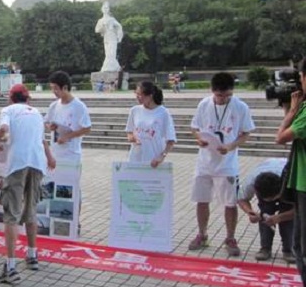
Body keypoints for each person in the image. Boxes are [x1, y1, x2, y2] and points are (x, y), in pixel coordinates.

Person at [0, 84, 56, 284]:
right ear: (27, 99)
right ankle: (32, 255)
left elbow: (3, 129)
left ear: (11, 98)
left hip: (17, 164)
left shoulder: (8, 110)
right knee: (31, 209)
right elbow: (42, 140)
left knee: (11, 214)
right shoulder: (36, 113)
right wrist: (50, 157)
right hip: (37, 164)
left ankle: (10, 267)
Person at [188, 72, 255, 256]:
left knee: (230, 203)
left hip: (227, 164)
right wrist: (199, 139)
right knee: (202, 200)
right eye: (219, 95)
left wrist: (231, 146)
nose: (223, 99)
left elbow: (246, 133)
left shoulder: (240, 107)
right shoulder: (204, 104)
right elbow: (194, 128)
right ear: (212, 90)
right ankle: (202, 234)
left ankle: (230, 238)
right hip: (204, 162)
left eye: (227, 95)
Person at [275, 57, 306, 287]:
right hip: (300, 182)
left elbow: (280, 137)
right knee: (299, 244)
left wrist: (292, 110)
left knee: (304, 246)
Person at [236, 159, 294, 263]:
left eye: (273, 198)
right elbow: (241, 199)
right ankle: (265, 248)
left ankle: (289, 250)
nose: (271, 200)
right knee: (265, 213)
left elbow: (301, 210)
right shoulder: (251, 181)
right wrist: (250, 212)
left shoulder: (294, 181)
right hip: (270, 175)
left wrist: (280, 217)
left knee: (288, 218)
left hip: (287, 184)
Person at [126, 81, 176, 168]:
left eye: (140, 94)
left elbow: (171, 140)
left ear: (150, 95)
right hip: (135, 159)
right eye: (136, 94)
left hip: (154, 161)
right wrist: (132, 138)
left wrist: (162, 156)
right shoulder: (134, 110)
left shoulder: (163, 112)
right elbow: (129, 131)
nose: (137, 97)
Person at [44, 71, 91, 163]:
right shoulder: (54, 106)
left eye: (56, 88)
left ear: (65, 87)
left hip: (71, 154)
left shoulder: (79, 106)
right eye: (52, 88)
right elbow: (46, 122)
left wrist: (68, 136)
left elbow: (87, 128)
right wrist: (50, 126)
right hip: (55, 153)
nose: (53, 92)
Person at [95, 1, 124, 72]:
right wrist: (102, 27)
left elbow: (119, 26)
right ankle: (115, 67)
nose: (105, 9)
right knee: (107, 54)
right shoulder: (100, 20)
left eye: (107, 8)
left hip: (113, 38)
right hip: (106, 39)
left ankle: (110, 67)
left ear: (109, 9)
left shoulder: (112, 19)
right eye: (104, 8)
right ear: (102, 9)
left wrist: (119, 35)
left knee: (112, 54)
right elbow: (96, 30)